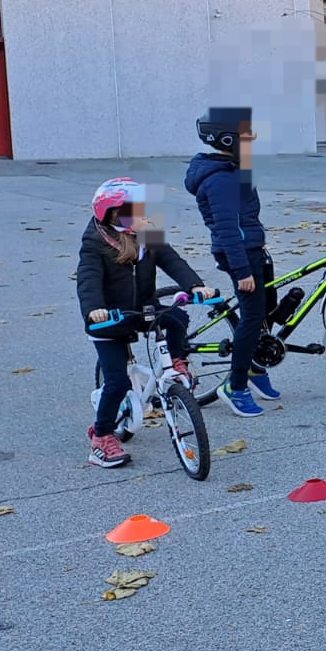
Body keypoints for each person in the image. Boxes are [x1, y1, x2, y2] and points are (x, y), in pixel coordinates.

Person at [78, 178, 216, 468]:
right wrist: (95, 310)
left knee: (177, 316)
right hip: (110, 322)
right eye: (135, 210)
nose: (144, 215)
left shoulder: (146, 235)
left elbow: (172, 260)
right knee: (116, 383)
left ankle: (178, 363)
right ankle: (101, 438)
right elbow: (88, 281)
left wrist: (195, 286)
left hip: (142, 310)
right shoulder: (94, 244)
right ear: (114, 215)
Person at [186, 108, 278, 418]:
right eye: (246, 137)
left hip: (251, 248)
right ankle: (235, 386)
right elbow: (227, 229)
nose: (251, 142)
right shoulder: (220, 179)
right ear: (229, 139)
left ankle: (253, 368)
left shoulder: (233, 168)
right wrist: (241, 271)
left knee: (265, 310)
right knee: (252, 317)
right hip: (239, 254)